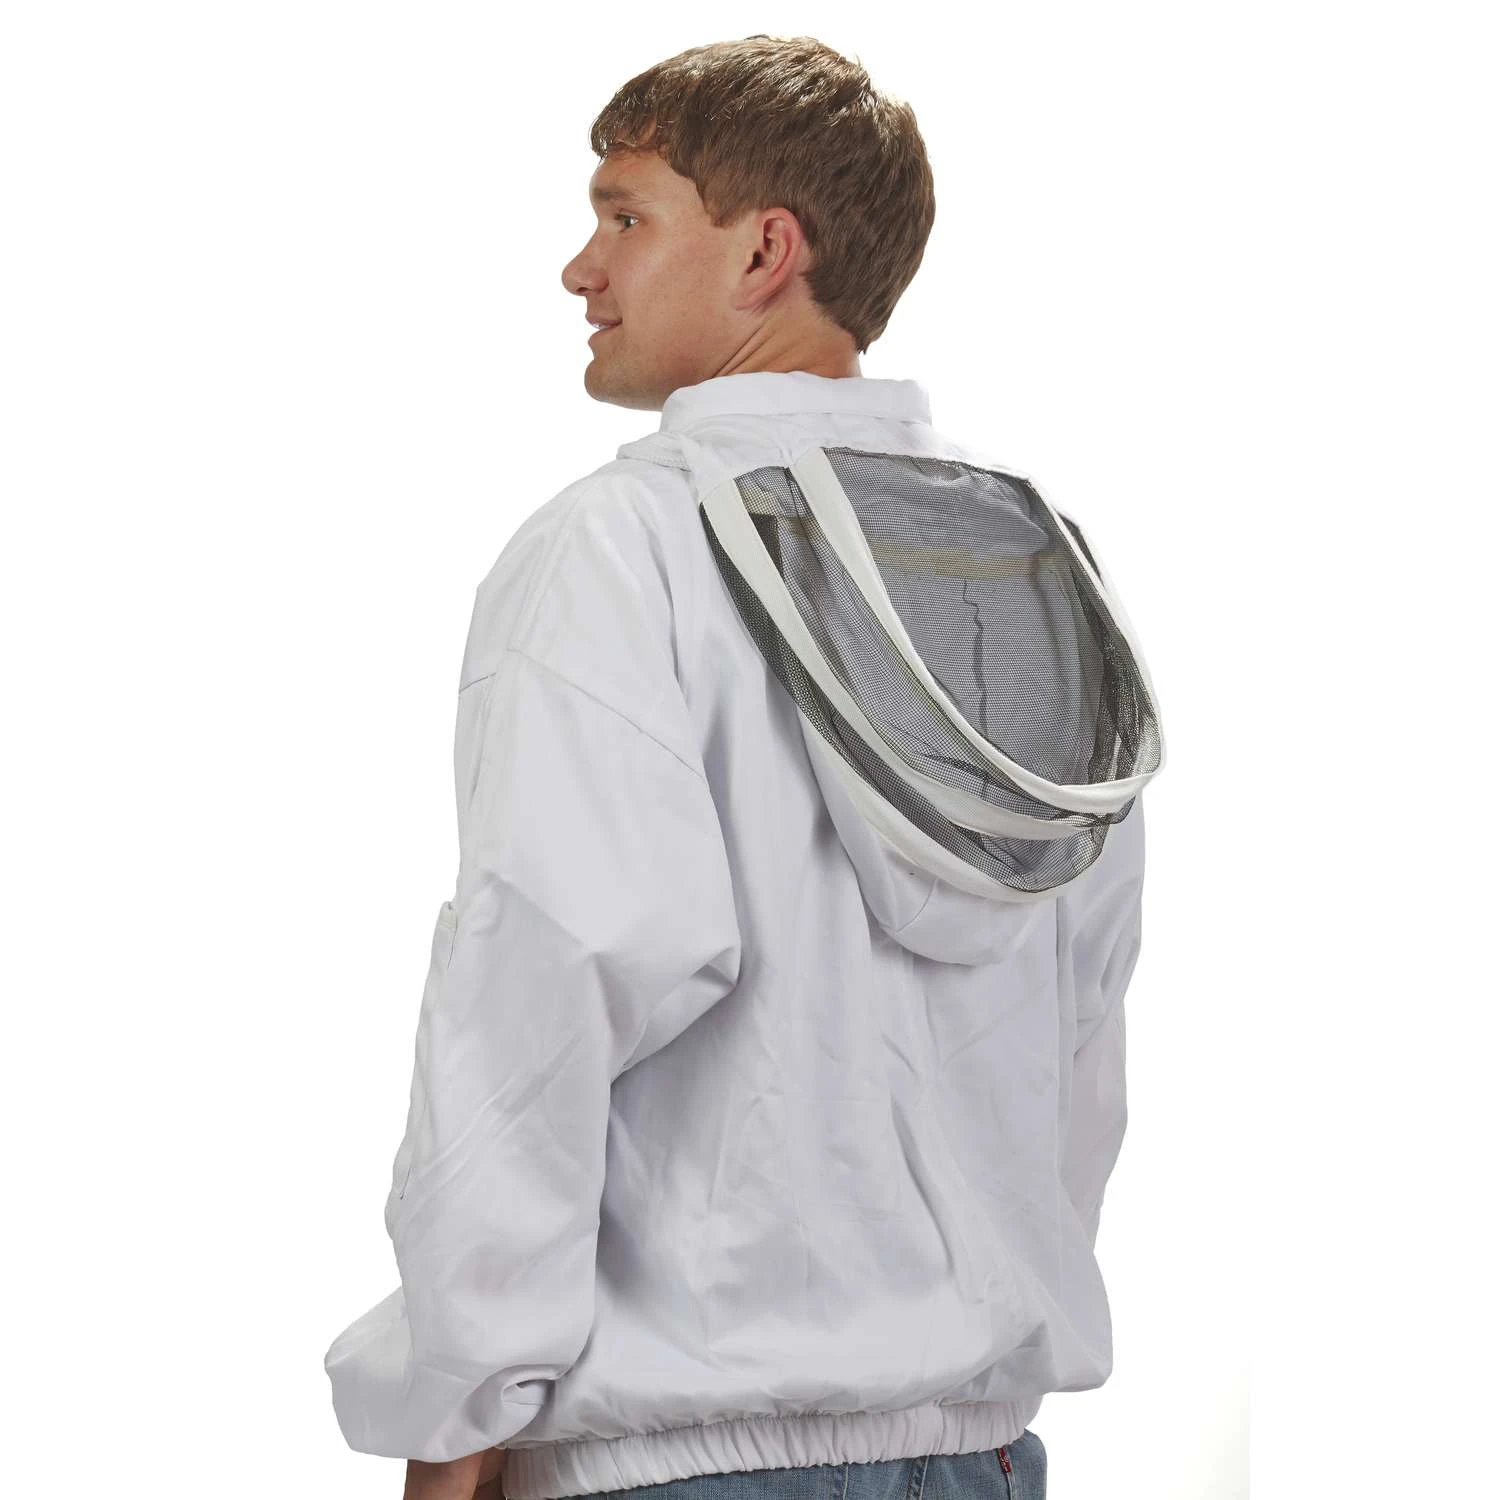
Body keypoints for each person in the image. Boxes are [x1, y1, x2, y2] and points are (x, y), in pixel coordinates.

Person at [324, 34, 1158, 1500]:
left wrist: (456, 1418)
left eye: (625, 215)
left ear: (768, 250)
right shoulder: (1034, 571)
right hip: (976, 1453)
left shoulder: (624, 548)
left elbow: (541, 995)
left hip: (675, 1465)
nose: (581, 270)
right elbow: (1080, 1037)